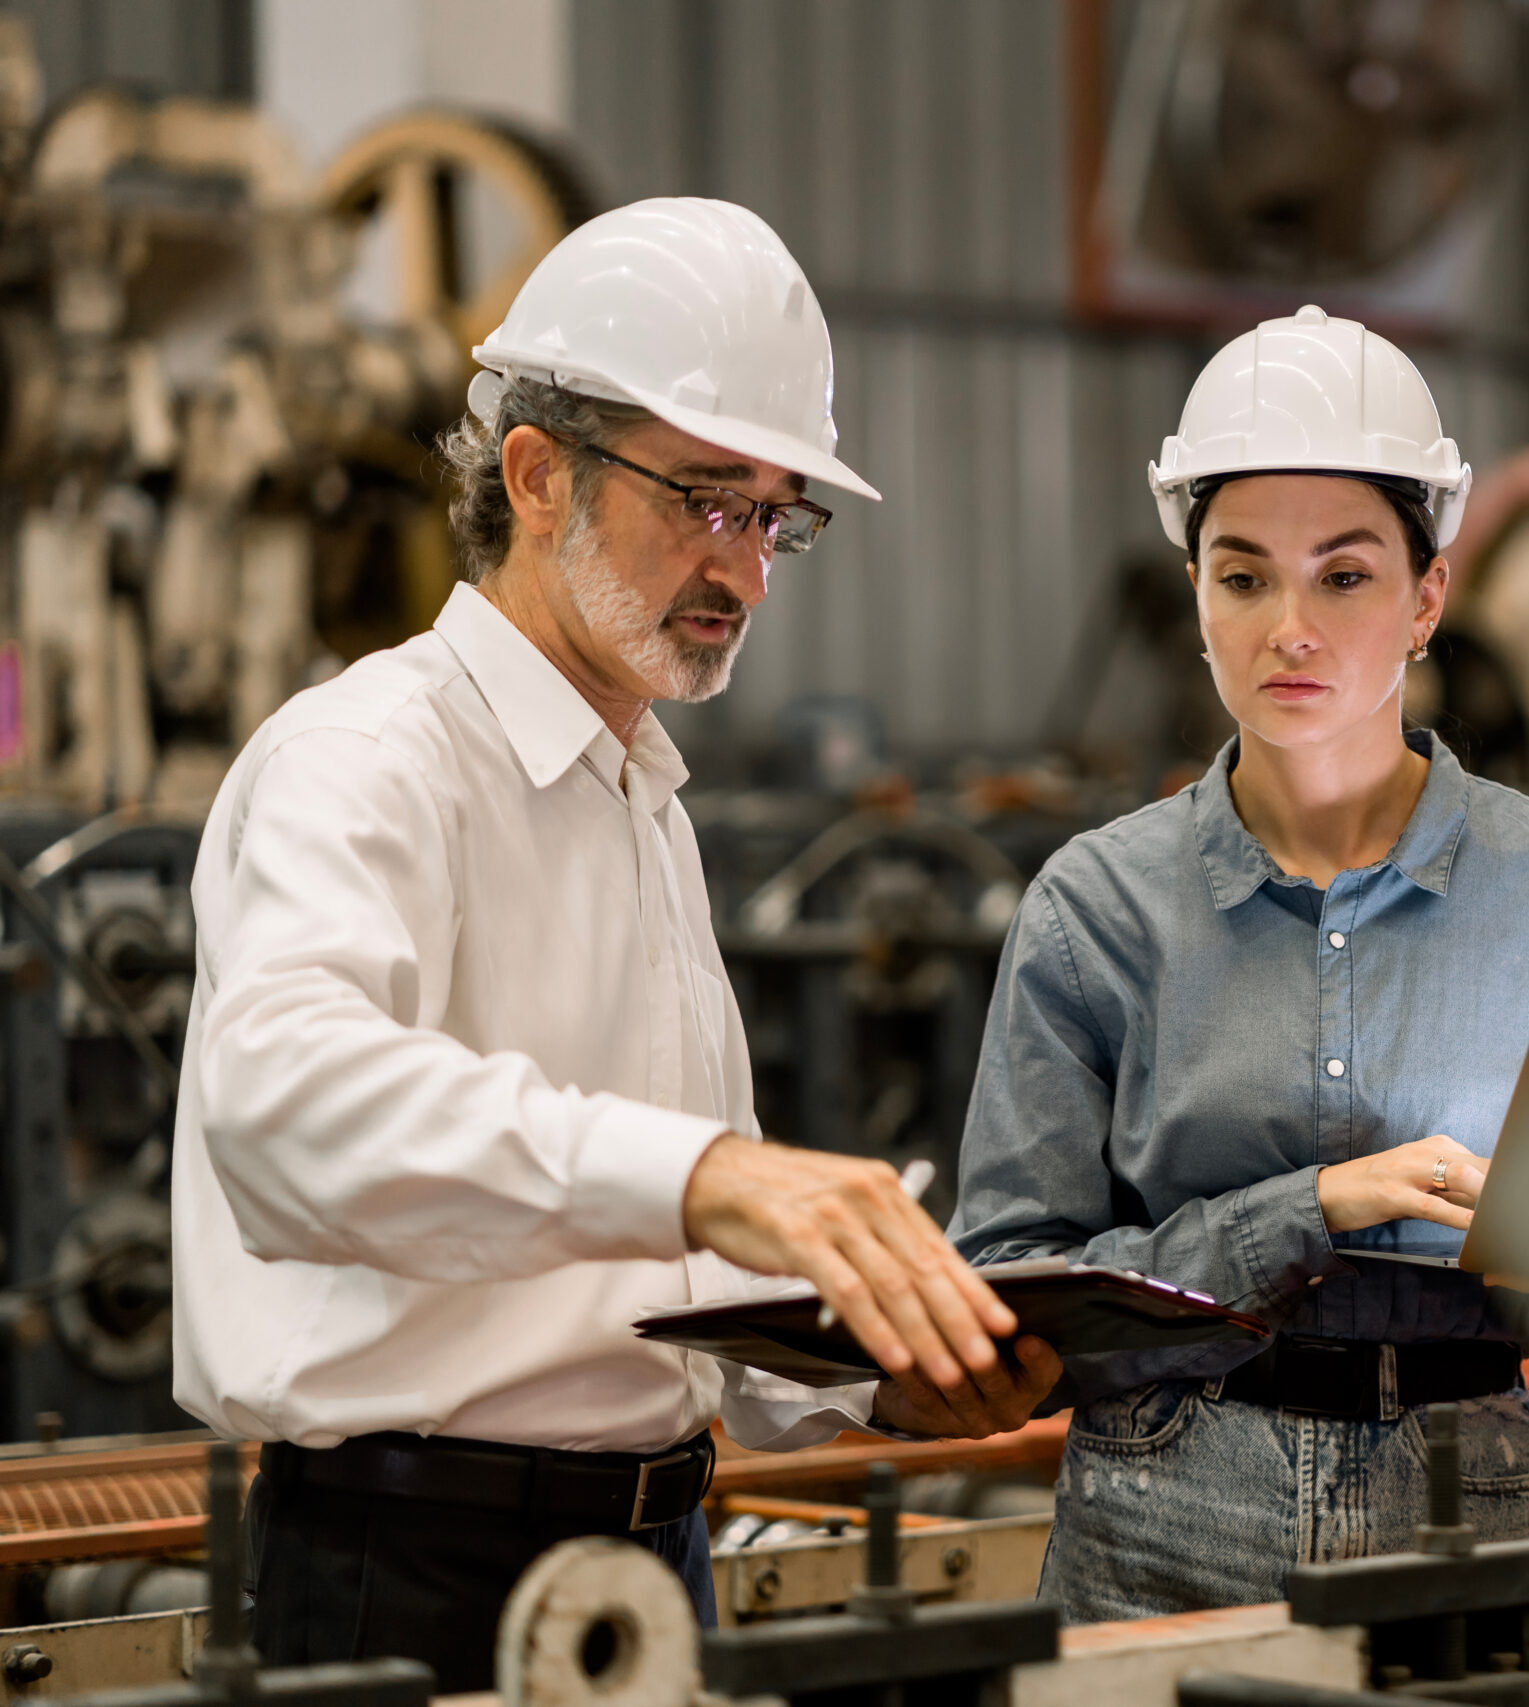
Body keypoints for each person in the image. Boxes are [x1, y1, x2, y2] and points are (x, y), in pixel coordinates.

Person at [170, 198, 1059, 1692]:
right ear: (535, 474)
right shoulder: (371, 758)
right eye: (705, 499)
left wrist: (880, 1381)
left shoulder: (644, 800)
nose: (748, 573)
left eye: (776, 515)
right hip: (410, 1578)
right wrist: (713, 1180)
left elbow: (663, 1302)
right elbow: (282, 1109)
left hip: (658, 1559)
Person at [944, 305, 1529, 1621]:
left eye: (1345, 574)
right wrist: (1310, 1209)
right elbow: (1012, 1300)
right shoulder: (1097, 908)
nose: (1290, 629)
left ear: (1430, 597)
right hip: (1168, 1501)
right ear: (1195, 595)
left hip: (1468, 1500)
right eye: (1244, 575)